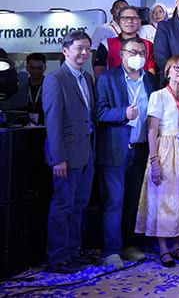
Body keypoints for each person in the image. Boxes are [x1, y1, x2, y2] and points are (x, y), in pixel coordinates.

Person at [95, 37, 158, 268]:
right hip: (114, 150)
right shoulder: (107, 78)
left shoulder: (150, 79)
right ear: (122, 54)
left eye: (141, 52)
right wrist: (123, 113)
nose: (137, 56)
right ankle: (111, 251)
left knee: (133, 201)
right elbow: (98, 112)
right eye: (132, 52)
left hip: (140, 149)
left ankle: (128, 245)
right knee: (114, 202)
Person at [135, 55, 179, 268]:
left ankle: (177, 246)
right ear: (167, 72)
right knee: (164, 198)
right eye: (177, 67)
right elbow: (152, 130)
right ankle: (163, 249)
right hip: (166, 150)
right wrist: (154, 160)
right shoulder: (159, 96)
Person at [42, 30, 96, 274]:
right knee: (62, 206)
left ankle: (73, 252)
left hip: (86, 152)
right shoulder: (55, 79)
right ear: (65, 51)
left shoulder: (87, 77)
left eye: (87, 48)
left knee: (79, 206)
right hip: (66, 155)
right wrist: (58, 159)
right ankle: (58, 257)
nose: (84, 53)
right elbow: (52, 122)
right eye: (79, 48)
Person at [94, 5, 156, 79]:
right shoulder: (106, 44)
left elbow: (151, 72)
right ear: (118, 22)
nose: (129, 21)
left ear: (140, 22)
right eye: (125, 18)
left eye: (134, 18)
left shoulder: (148, 45)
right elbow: (99, 71)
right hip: (113, 85)